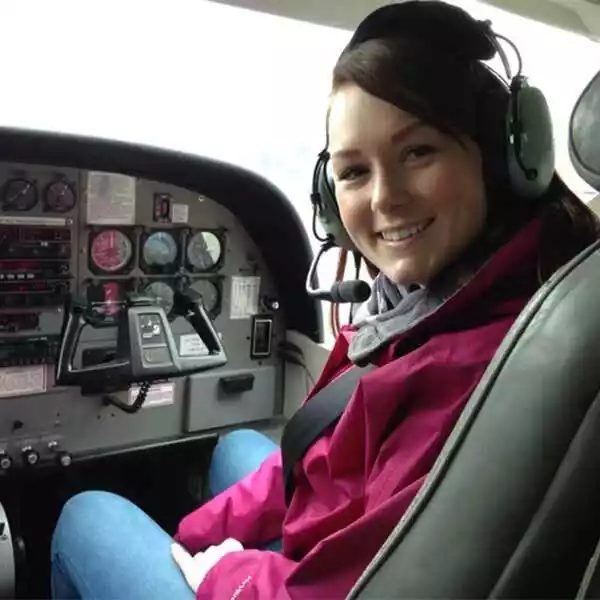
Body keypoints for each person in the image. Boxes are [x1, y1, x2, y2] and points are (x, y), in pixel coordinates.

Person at [50, 2, 600, 599]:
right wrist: (192, 536)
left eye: (418, 152)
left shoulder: (471, 364)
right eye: (355, 171)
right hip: (349, 538)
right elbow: (327, 455)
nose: (384, 199)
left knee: (89, 514)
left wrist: (222, 574)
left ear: (498, 157)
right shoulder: (446, 307)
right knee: (241, 447)